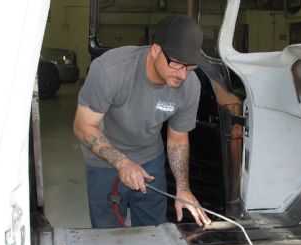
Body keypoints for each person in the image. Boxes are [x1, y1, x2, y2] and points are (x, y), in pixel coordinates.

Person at [73, 14, 211, 228]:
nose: (183, 75)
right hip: (104, 162)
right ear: (155, 50)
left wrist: (183, 188)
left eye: (190, 66)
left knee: (153, 232)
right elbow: (83, 127)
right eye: (177, 63)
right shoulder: (111, 71)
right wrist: (122, 162)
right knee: (107, 237)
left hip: (150, 160)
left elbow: (178, 138)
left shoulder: (190, 85)